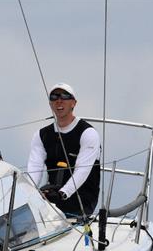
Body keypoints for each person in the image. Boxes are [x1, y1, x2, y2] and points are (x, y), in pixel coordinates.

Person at [27, 83, 101, 218]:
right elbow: (34, 171)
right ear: (50, 104)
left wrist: (62, 193)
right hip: (51, 197)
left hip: (81, 199)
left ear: (73, 103)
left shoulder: (88, 133)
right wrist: (28, 193)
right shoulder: (41, 135)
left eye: (65, 96)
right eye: (54, 97)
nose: (59, 101)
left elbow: (82, 170)